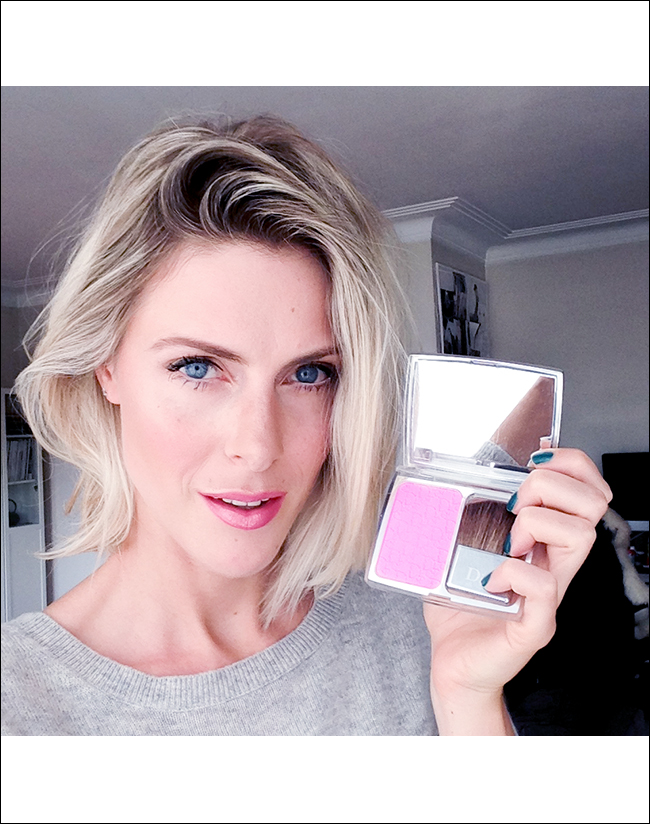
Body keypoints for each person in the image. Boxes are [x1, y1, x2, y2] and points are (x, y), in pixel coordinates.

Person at [1, 116, 612, 735]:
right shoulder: (19, 703)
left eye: (309, 374)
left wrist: (468, 694)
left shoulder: (413, 624)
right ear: (107, 368)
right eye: (197, 367)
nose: (258, 447)